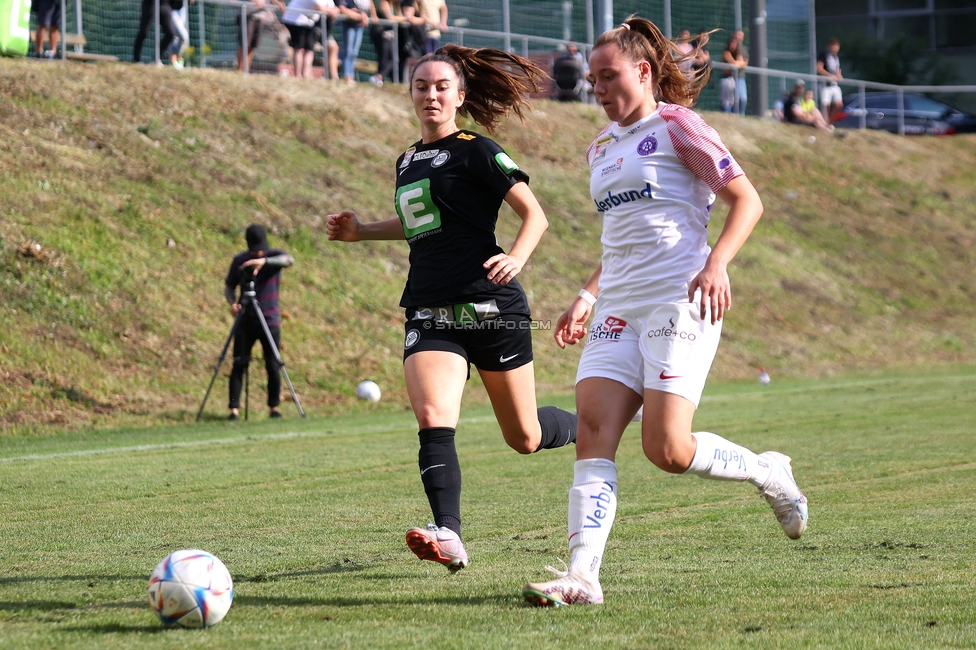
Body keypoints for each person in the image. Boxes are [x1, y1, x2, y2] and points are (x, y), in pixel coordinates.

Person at [522, 16, 808, 607]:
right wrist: (588, 294)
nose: (597, 88)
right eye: (592, 79)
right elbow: (625, 237)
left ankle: (766, 471)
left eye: (609, 76)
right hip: (619, 305)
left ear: (644, 72)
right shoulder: (599, 146)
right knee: (594, 432)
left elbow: (745, 200)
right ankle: (583, 577)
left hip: (681, 298)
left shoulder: (678, 126)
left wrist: (717, 264)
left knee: (668, 451)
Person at [326, 44, 579, 574]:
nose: (431, 94)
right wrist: (360, 232)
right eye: (422, 86)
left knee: (525, 437)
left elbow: (534, 215)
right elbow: (420, 222)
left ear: (460, 96)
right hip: (429, 308)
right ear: (411, 95)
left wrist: (516, 257)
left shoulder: (478, 149)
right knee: (433, 416)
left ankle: (596, 422)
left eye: (442, 86)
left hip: (491, 307)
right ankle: (450, 533)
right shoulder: (407, 159)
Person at [224, 225, 295, 421]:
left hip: (270, 319)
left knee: (273, 364)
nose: (258, 252)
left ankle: (274, 408)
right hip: (245, 319)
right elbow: (229, 286)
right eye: (255, 250)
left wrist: (263, 261)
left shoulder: (274, 257)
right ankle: (234, 409)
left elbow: (289, 260)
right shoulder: (240, 261)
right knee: (239, 363)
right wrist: (232, 303)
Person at [282, 0, 336, 78]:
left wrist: (334, 11)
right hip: (295, 21)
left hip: (310, 23)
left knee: (309, 49)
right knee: (299, 49)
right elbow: (320, 8)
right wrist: (331, 12)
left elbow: (333, 8)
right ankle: (298, 75)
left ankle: (306, 75)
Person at [237, 0, 286, 72]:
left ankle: (245, 70)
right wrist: (256, 1)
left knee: (252, 45)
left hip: (259, 17)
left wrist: (278, 4)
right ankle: (239, 70)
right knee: (244, 44)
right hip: (247, 14)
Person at [338, 0, 370, 83]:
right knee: (348, 51)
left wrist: (362, 15)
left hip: (358, 26)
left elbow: (354, 9)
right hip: (348, 25)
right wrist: (360, 16)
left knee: (354, 52)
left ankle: (351, 76)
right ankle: (346, 76)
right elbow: (343, 9)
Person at [368, 0, 398, 85]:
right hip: (381, 34)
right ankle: (378, 77)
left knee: (390, 58)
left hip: (389, 35)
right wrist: (406, 19)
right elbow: (390, 18)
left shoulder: (395, 5)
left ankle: (379, 78)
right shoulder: (383, 3)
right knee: (385, 57)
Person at [817, 37, 844, 125]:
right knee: (826, 105)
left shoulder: (836, 58)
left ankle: (830, 123)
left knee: (839, 105)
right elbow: (819, 68)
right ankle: (824, 122)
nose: (834, 48)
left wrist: (839, 76)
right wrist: (830, 76)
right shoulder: (824, 55)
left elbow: (838, 71)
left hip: (834, 84)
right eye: (833, 46)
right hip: (825, 84)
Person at [721, 30, 748, 114]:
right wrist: (739, 63)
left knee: (742, 99)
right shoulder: (727, 52)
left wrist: (739, 63)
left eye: (741, 36)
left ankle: (740, 115)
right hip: (729, 79)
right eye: (737, 36)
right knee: (728, 100)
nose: (739, 38)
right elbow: (734, 62)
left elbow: (744, 63)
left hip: (740, 77)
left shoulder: (743, 49)